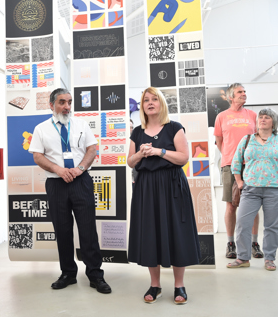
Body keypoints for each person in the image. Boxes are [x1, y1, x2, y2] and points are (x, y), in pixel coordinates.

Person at [29, 88, 111, 294]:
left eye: (69, 102)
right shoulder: (41, 129)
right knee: (63, 231)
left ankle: (95, 275)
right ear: (51, 105)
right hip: (56, 184)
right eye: (62, 102)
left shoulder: (82, 125)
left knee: (88, 230)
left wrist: (80, 168)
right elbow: (37, 156)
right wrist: (58, 170)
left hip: (80, 181)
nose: (66, 107)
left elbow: (92, 149)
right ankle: (68, 274)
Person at [127, 87, 200, 305]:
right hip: (146, 187)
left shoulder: (174, 128)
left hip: (172, 186)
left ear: (161, 104)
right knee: (151, 233)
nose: (150, 103)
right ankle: (155, 284)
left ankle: (179, 285)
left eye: (154, 99)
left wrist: (159, 151)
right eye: (146, 100)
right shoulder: (137, 132)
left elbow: (184, 158)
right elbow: (130, 162)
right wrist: (140, 153)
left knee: (177, 232)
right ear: (142, 106)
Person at [214, 83, 263, 259]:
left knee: (253, 205)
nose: (244, 94)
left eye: (244, 91)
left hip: (251, 165)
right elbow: (219, 141)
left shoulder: (252, 115)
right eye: (239, 92)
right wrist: (229, 157)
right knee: (230, 205)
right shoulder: (221, 116)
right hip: (229, 165)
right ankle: (230, 243)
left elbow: (259, 138)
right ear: (230, 97)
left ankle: (254, 242)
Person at [227, 108, 278, 271]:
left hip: (273, 189)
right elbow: (236, 162)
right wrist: (239, 181)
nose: (263, 119)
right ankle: (243, 258)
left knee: (271, 226)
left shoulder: (277, 140)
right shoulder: (247, 139)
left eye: (267, 117)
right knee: (242, 223)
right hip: (250, 190)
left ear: (273, 122)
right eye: (260, 117)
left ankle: (269, 258)